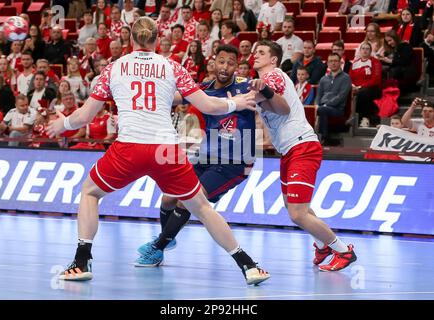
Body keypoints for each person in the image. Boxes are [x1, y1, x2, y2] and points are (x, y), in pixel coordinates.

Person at [46, 17, 270, 285]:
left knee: (90, 192)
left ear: (131, 39)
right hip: (166, 150)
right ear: (156, 39)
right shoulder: (172, 67)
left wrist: (62, 124)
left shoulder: (114, 68)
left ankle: (81, 262)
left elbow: (84, 116)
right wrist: (235, 102)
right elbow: (209, 105)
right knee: (201, 207)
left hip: (129, 148)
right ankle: (248, 265)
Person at [135, 44, 275, 266]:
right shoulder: (204, 89)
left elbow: (269, 97)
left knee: (188, 200)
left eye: (230, 63)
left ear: (236, 66)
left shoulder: (246, 86)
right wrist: (147, 92)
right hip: (205, 157)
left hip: (235, 161)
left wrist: (264, 88)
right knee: (169, 196)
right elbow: (174, 98)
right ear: (214, 62)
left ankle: (158, 246)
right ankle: (166, 239)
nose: (225, 67)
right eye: (221, 61)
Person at [252, 40, 357, 271]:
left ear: (273, 59)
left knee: (297, 213)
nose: (255, 55)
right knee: (297, 209)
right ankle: (322, 246)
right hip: (288, 150)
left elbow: (261, 99)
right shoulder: (261, 83)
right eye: (254, 52)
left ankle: (343, 250)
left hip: (302, 146)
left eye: (261, 52)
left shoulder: (274, 76)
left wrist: (230, 96)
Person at [316, 53, 352, 145]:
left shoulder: (346, 78)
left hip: (338, 109)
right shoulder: (323, 79)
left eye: (335, 61)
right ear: (327, 63)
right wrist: (317, 105)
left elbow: (341, 96)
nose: (333, 63)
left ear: (340, 63)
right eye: (331, 61)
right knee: (316, 110)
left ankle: (324, 138)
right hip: (323, 107)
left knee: (322, 110)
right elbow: (318, 96)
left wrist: (326, 104)